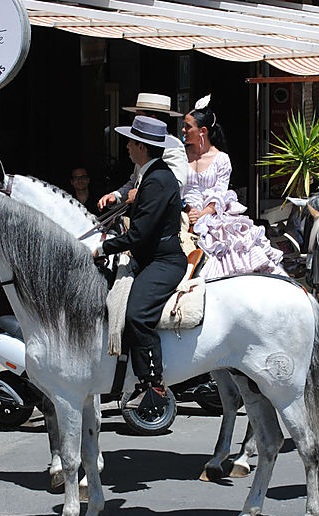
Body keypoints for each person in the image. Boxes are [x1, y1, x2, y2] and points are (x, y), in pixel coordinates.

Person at [94, 115, 187, 400]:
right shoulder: (150, 173)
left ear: (142, 147)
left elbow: (139, 235)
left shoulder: (157, 180)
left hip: (164, 261)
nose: (127, 147)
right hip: (151, 257)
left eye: (130, 142)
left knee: (135, 315)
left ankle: (152, 383)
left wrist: (101, 249)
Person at [181, 94, 285, 278]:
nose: (183, 130)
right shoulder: (179, 154)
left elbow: (220, 194)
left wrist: (201, 214)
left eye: (188, 126)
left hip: (209, 215)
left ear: (202, 131)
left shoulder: (221, 159)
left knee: (231, 247)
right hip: (180, 211)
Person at [98, 93, 187, 210]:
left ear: (153, 119)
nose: (134, 120)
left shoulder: (173, 146)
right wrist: (116, 196)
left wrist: (142, 193)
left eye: (138, 116)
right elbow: (136, 180)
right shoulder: (142, 145)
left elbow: (176, 184)